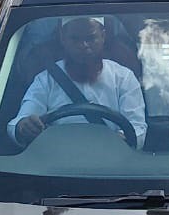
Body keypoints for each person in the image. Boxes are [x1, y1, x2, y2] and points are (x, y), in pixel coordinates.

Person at [9, 17, 147, 148]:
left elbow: (137, 126)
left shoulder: (124, 78)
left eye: (91, 38)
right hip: (56, 160)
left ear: (103, 36)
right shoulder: (45, 80)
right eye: (75, 39)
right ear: (62, 38)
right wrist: (24, 127)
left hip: (112, 159)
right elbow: (20, 121)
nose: (83, 45)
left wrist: (120, 140)